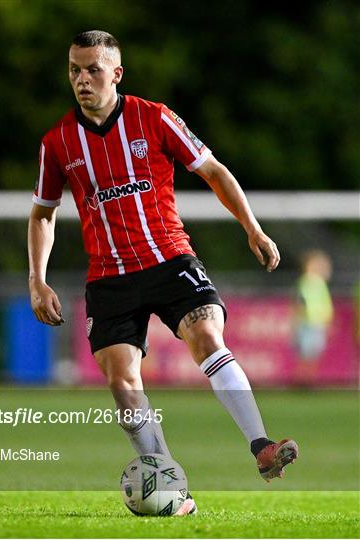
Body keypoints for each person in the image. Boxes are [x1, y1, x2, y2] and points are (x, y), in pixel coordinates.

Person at [28, 30, 298, 515]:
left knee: (208, 339)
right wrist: (37, 278)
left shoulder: (153, 117)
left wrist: (253, 229)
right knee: (122, 384)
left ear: (117, 72)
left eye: (92, 69)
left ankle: (261, 445)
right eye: (74, 69)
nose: (82, 79)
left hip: (170, 259)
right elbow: (43, 214)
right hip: (110, 278)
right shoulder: (57, 142)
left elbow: (213, 170)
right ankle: (174, 491)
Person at [293, 250, 334, 385]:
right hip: (308, 322)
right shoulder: (306, 282)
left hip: (317, 322)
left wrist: (326, 319)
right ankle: (304, 381)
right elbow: (300, 302)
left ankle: (309, 380)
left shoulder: (319, 283)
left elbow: (325, 303)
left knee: (313, 353)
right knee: (306, 353)